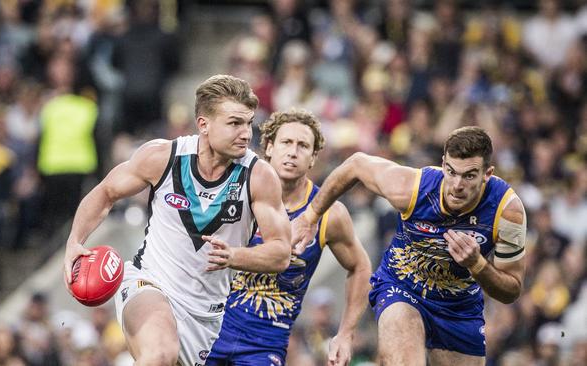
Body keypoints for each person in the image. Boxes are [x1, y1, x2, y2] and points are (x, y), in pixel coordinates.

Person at [63, 74, 292, 366]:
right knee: (159, 355)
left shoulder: (259, 177)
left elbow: (281, 252)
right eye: (235, 123)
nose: (247, 133)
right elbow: (105, 193)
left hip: (206, 317)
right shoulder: (163, 157)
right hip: (149, 283)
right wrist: (74, 241)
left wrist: (235, 256)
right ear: (203, 125)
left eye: (249, 123)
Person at [292, 126, 527, 365]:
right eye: (451, 172)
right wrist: (310, 217)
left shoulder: (507, 212)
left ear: (487, 173)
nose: (457, 185)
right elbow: (356, 164)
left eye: (469, 176)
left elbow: (511, 291)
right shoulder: (413, 188)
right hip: (402, 286)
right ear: (443, 163)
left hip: (459, 306)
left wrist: (477, 264)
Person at [207, 109, 372, 366]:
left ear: (313, 157)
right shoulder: (234, 191)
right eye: (286, 143)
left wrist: (346, 334)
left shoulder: (329, 214)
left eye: (303, 146)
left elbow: (360, 266)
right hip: (211, 329)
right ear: (269, 147)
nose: (293, 152)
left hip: (266, 344)